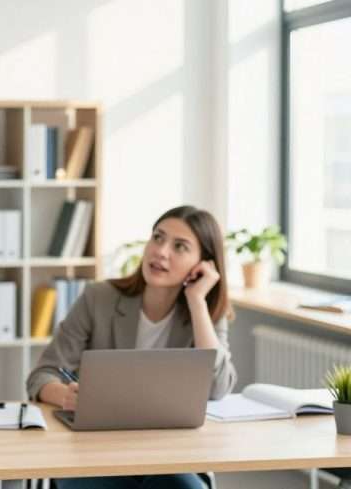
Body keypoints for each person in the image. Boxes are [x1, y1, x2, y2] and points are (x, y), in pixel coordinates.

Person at [27, 205, 238, 489]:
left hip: (172, 457)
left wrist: (198, 302)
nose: (161, 252)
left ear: (203, 265)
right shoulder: (98, 298)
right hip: (94, 454)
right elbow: (42, 375)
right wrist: (67, 396)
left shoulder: (207, 314)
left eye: (180, 246)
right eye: (158, 238)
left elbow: (218, 386)